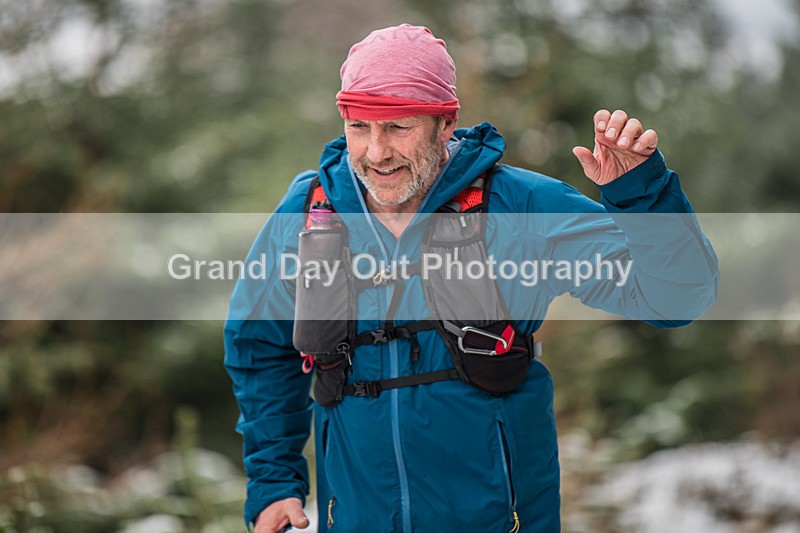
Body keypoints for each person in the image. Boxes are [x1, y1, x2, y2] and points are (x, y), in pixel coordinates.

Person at [224, 24, 719, 533]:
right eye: (358, 127)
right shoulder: (310, 211)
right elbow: (259, 347)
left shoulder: (521, 206)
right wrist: (274, 482)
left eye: (398, 128)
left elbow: (674, 298)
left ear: (445, 123)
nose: (376, 152)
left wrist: (642, 196)